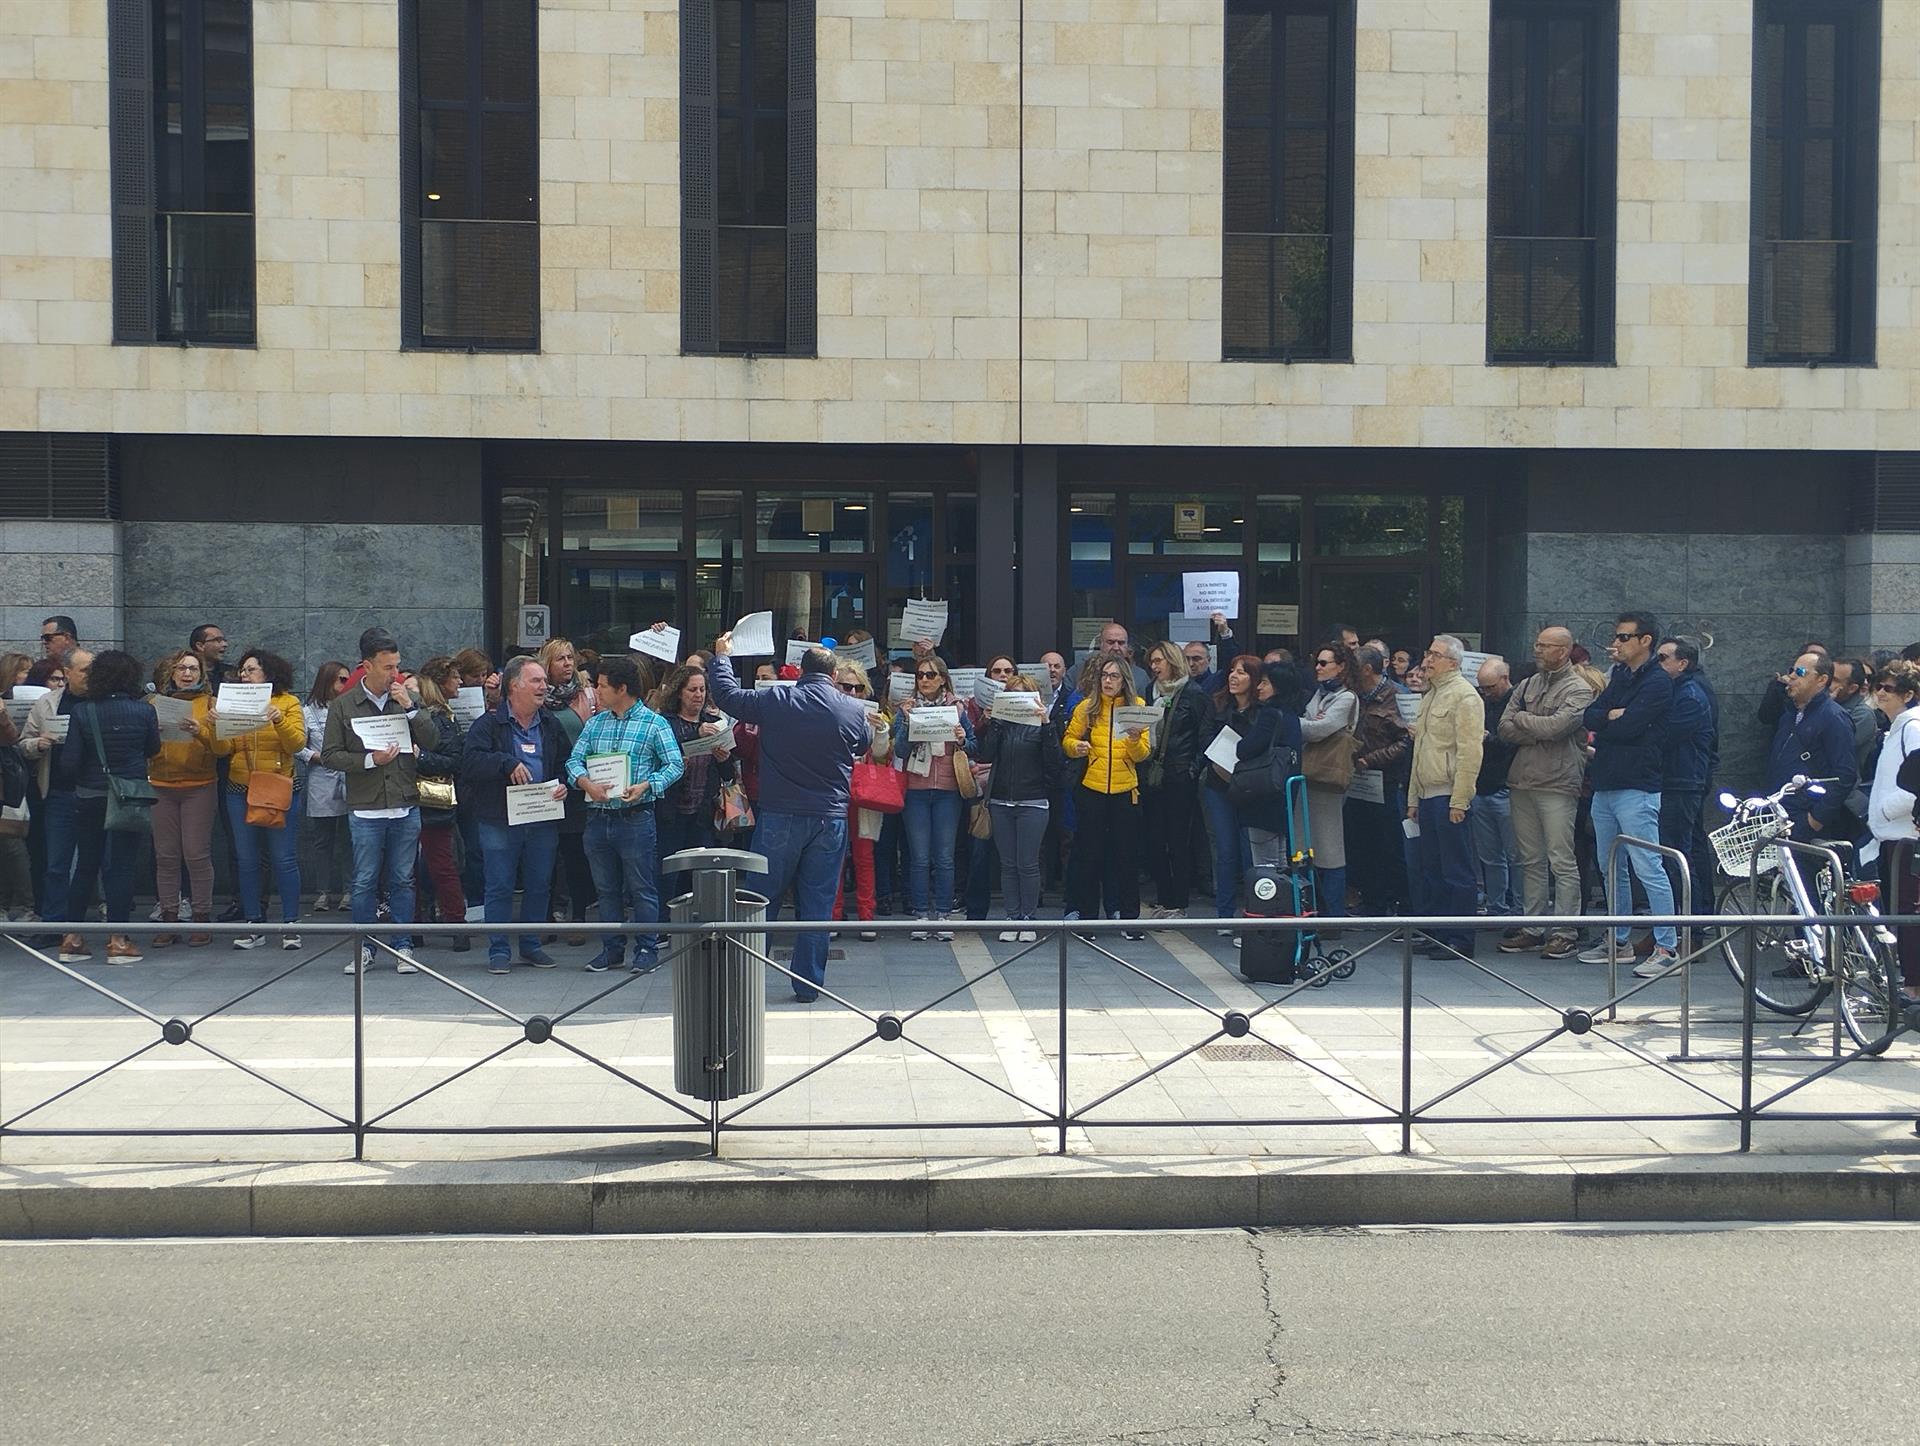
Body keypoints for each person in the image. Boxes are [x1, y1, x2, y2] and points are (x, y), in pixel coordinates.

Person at [707, 634, 872, 1003]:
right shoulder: (851, 708)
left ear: (800, 672)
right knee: (817, 904)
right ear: (832, 676)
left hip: (781, 814)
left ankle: (748, 977)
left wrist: (722, 658)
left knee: (761, 899)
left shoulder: (778, 699)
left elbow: (728, 697)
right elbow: (862, 744)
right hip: (829, 818)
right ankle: (808, 985)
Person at [323, 628, 442, 974]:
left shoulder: (405, 697)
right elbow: (330, 755)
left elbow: (433, 740)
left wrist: (410, 708)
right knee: (364, 879)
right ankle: (365, 947)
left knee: (403, 878)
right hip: (366, 806)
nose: (396, 674)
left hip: (405, 802)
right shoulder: (343, 705)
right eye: (388, 668)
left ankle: (403, 945)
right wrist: (368, 760)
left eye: (398, 666)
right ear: (367, 666)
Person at [565, 654, 683, 974]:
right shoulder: (595, 723)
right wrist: (585, 782)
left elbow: (674, 764)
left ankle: (646, 949)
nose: (597, 691)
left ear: (622, 688)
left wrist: (648, 785)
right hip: (598, 817)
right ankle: (611, 949)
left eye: (602, 686)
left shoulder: (654, 723)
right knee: (605, 888)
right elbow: (573, 762)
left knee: (641, 887)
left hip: (636, 817)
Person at [1579, 612, 1678, 974]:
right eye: (1616, 637)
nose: (1616, 643)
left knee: (1648, 866)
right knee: (1610, 867)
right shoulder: (1620, 675)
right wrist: (1610, 716)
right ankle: (1618, 940)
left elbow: (1632, 727)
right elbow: (1590, 716)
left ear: (1645, 641)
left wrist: (1612, 720)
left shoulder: (1657, 682)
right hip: (1606, 783)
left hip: (1637, 786)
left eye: (1624, 637)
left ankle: (1668, 948)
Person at [461, 655, 571, 974]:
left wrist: (564, 783)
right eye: (536, 681)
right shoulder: (489, 724)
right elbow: (469, 765)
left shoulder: (550, 724)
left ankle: (531, 945)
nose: (544, 686)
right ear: (514, 687)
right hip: (500, 819)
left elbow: (566, 761)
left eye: (543, 681)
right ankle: (498, 949)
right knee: (499, 884)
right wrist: (505, 763)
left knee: (539, 883)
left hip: (542, 816)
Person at [53, 649, 160, 966]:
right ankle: (118, 940)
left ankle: (71, 939)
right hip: (128, 797)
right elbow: (152, 749)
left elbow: (69, 763)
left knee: (86, 865)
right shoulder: (144, 712)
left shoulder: (83, 712)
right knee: (122, 867)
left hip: (89, 796)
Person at [1497, 628, 1595, 959]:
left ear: (1564, 651)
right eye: (1537, 644)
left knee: (1561, 859)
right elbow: (1504, 728)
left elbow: (1558, 727)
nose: (1537, 650)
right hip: (1522, 780)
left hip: (1557, 782)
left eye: (1545, 645)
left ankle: (1565, 931)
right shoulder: (1527, 684)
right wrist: (1534, 728)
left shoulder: (1579, 688)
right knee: (1530, 859)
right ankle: (1533, 926)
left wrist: (1525, 720)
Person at [210, 650, 305, 951]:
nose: (244, 675)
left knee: (283, 858)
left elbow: (297, 744)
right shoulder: (234, 701)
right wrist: (215, 725)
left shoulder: (288, 702)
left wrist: (278, 721)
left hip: (279, 785)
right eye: (242, 670)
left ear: (268, 673)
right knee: (247, 859)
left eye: (251, 670)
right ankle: (253, 922)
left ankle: (291, 924)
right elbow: (222, 750)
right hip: (240, 787)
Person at [1063, 655, 1153, 937]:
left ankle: (1128, 919)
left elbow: (1142, 755)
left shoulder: (1137, 708)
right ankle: (1089, 919)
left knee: (1126, 856)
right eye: (1104, 675)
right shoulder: (1087, 708)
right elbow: (1067, 741)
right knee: (1089, 854)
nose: (1108, 681)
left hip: (1126, 790)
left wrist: (1136, 739)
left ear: (1124, 680)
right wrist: (1075, 746)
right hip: (1091, 787)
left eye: (1114, 676)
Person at [1407, 636, 1484, 959]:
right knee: (1432, 869)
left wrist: (1460, 799)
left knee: (1457, 869)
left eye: (1435, 655)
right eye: (1427, 653)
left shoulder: (1465, 696)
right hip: (1427, 794)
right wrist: (1413, 797)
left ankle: (1460, 937)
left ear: (1453, 663)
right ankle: (1438, 931)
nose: (1427, 660)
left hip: (1449, 794)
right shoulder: (1431, 694)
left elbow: (1470, 752)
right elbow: (1419, 753)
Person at [890, 654, 975, 940]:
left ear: (942, 679)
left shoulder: (957, 708)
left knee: (944, 857)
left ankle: (943, 914)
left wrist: (962, 738)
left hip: (948, 790)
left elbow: (974, 746)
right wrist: (906, 722)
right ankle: (920, 914)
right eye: (920, 676)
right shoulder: (908, 709)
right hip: (915, 788)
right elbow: (899, 751)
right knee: (919, 857)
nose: (924, 680)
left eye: (930, 675)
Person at [976, 672, 1059, 942]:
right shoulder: (1002, 726)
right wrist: (996, 723)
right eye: (1013, 695)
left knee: (1028, 863)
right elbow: (986, 755)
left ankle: (1028, 918)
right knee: (1008, 863)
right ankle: (1012, 916)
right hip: (1001, 800)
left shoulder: (1041, 726)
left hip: (1033, 801)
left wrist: (1046, 725)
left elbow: (1054, 762)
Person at [145, 650, 216, 947]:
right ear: (170, 673)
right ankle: (169, 919)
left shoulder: (210, 704)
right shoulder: (152, 704)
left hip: (199, 784)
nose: (187, 674)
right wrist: (151, 733)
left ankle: (201, 918)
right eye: (181, 668)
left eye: (193, 669)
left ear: (201, 674)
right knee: (165, 856)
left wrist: (201, 732)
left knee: (196, 854)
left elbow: (223, 748)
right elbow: (139, 747)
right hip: (160, 784)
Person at [1140, 640, 1210, 919]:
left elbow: (1203, 737)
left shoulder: (1193, 693)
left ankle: (1178, 901)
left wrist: (1192, 770)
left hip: (1180, 774)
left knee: (1178, 839)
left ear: (1172, 661)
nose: (1154, 667)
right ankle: (1163, 896)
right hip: (1153, 771)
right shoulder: (1149, 691)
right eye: (1152, 662)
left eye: (1159, 661)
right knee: (1154, 838)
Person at [1761, 651, 1858, 844]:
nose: (1792, 677)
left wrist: (1815, 820)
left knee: (1806, 873)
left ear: (1822, 680)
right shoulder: (1790, 714)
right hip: (1780, 812)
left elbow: (1845, 776)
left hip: (1807, 818)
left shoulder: (1834, 717)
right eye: (1792, 671)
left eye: (1801, 672)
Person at [537, 638, 598, 945]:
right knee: (546, 854)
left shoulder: (587, 694)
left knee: (575, 855)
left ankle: (579, 916)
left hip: (577, 785)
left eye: (570, 658)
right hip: (545, 786)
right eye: (560, 659)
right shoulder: (536, 696)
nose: (568, 664)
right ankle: (546, 917)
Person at [1866, 660, 1920, 1002]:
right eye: (1879, 687)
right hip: (1892, 835)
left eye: (1889, 689)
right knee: (1901, 913)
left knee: (1909, 914)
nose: (1881, 693)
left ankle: (1914, 987)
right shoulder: (1896, 727)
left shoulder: (1913, 726)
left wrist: (1889, 808)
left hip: (1906, 836)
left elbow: (1915, 780)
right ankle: (1910, 983)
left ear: (1908, 694)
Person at [1197, 655, 1264, 930]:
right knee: (1225, 850)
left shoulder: (1263, 711)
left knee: (1250, 852)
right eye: (1232, 671)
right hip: (1219, 782)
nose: (1234, 677)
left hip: (1250, 786)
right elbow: (1203, 737)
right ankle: (1224, 914)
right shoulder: (1218, 704)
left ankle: (1253, 913)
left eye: (1242, 672)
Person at [22, 651, 84, 946]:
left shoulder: (100, 700)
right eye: (83, 670)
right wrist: (39, 743)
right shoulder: (46, 702)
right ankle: (53, 923)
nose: (89, 676)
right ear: (68, 672)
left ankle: (84, 924)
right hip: (58, 790)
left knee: (95, 862)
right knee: (56, 863)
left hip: (94, 790)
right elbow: (24, 742)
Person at [410, 657, 470, 952]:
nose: (460, 682)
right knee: (438, 863)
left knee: (431, 863)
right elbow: (454, 761)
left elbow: (453, 761)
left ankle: (428, 924)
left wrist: (420, 757)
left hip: (426, 797)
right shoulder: (438, 718)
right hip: (432, 799)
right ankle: (452, 924)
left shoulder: (440, 716)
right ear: (439, 682)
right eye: (455, 677)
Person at [1347, 646, 1412, 915]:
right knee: (1363, 844)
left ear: (1367, 669)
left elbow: (1406, 740)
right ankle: (1372, 901)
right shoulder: (1355, 696)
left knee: (1391, 846)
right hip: (1358, 781)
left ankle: (1400, 904)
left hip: (1387, 781)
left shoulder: (1396, 697)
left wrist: (1372, 760)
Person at [830, 658, 889, 943]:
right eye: (845, 686)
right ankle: (833, 916)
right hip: (834, 792)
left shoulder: (873, 715)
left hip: (865, 793)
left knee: (864, 857)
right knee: (834, 858)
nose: (851, 692)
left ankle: (867, 917)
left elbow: (880, 753)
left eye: (857, 688)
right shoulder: (826, 710)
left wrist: (881, 730)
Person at [1654, 638, 1715, 915]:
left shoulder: (1690, 695)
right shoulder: (1678, 690)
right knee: (1678, 852)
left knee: (1678, 853)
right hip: (1677, 779)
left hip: (1682, 781)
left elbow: (1664, 736)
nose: (1658, 663)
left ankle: (1694, 925)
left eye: (1664, 657)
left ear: (1683, 663)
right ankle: (1689, 919)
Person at [1301, 642, 1362, 919]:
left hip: (1328, 780)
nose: (1318, 667)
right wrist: (1310, 722)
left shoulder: (1347, 697)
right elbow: (1311, 721)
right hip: (1310, 778)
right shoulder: (1320, 693)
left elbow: (1318, 729)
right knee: (1310, 847)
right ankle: (1314, 910)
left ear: (1341, 667)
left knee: (1330, 849)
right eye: (1317, 662)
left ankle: (1332, 915)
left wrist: (1297, 722)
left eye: (1324, 663)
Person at [656, 662, 737, 866]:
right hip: (670, 812)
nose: (698, 695)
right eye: (692, 690)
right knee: (669, 871)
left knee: (701, 872)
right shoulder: (664, 722)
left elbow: (729, 775)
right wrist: (695, 735)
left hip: (703, 814)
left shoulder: (715, 722)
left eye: (702, 689)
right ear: (679, 693)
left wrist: (724, 759)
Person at [1236, 660, 1306, 873]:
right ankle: (1284, 905)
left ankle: (1270, 905)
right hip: (1285, 795)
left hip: (1264, 794)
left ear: (1278, 686)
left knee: (1265, 865)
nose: (1259, 687)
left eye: (1264, 682)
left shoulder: (1270, 714)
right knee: (1281, 860)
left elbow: (1245, 749)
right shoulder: (1292, 715)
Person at [299, 662, 353, 915]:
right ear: (326, 680)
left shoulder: (351, 708)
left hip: (349, 776)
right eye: (341, 680)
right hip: (321, 777)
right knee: (322, 840)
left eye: (347, 680)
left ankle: (349, 890)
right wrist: (316, 757)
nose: (345, 685)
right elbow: (298, 746)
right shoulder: (307, 711)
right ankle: (322, 891)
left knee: (349, 839)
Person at [1470, 658, 1517, 917]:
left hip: (1506, 785)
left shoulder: (1517, 701)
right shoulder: (1480, 702)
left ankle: (1519, 910)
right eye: (1482, 688)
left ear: (1504, 678)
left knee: (1516, 856)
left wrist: (1491, 739)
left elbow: (1518, 740)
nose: (1486, 693)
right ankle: (1496, 906)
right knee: (1489, 856)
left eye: (1489, 687)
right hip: (1482, 785)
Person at [1097, 620, 1152, 699]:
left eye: (1121, 643)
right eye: (1110, 642)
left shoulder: (1141, 676)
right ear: (1100, 644)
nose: (1116, 647)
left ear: (1127, 646)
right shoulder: (1081, 671)